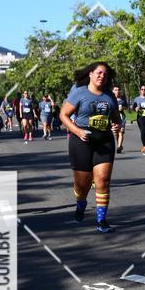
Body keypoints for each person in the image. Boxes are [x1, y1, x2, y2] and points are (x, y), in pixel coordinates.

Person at [60, 62, 120, 233]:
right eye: (99, 73)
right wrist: (77, 131)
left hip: (104, 141)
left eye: (105, 74)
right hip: (81, 142)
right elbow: (63, 115)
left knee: (102, 181)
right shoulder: (79, 93)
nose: (102, 76)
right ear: (91, 74)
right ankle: (81, 204)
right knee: (82, 185)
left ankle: (101, 220)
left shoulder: (110, 95)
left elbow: (116, 118)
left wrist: (116, 126)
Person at [113, 85, 127, 153]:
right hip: (114, 118)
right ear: (113, 91)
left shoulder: (122, 100)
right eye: (115, 90)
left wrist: (122, 108)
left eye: (118, 90)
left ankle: (119, 147)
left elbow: (126, 107)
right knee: (116, 133)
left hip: (122, 118)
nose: (117, 91)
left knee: (121, 132)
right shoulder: (111, 99)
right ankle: (119, 144)